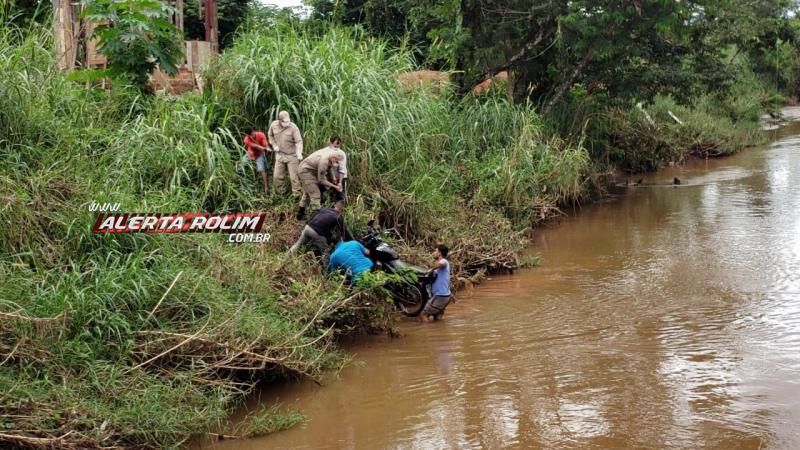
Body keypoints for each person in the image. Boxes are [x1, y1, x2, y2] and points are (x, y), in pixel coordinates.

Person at [287, 200, 353, 267]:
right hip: (317, 232)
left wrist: (307, 223)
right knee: (325, 252)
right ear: (343, 209)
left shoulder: (324, 209)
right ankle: (327, 270)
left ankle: (285, 258)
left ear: (335, 205)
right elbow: (344, 231)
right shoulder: (338, 216)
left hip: (308, 227)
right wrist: (353, 241)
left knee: (297, 244)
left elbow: (313, 215)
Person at [296, 147, 343, 220]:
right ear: (333, 158)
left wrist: (333, 177)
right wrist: (335, 187)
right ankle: (315, 218)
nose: (337, 163)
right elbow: (322, 180)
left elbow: (329, 168)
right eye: (336, 161)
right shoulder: (323, 162)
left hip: (311, 171)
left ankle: (300, 215)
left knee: (308, 192)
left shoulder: (329, 156)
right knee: (315, 194)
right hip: (305, 172)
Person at [268, 111, 303, 198]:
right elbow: (270, 135)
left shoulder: (293, 127)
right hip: (280, 154)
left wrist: (299, 152)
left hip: (292, 155)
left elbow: (299, 141)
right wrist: (274, 145)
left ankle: (297, 195)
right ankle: (282, 193)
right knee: (277, 176)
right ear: (280, 121)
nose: (287, 123)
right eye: (285, 122)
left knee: (294, 177)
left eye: (288, 121)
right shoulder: (274, 125)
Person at [420, 244, 452, 322]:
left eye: (435, 251)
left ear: (439, 253)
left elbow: (442, 263)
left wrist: (431, 269)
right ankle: (441, 331)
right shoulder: (442, 264)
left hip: (440, 295)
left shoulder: (443, 261)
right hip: (446, 296)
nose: (434, 253)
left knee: (423, 315)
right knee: (437, 317)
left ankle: (427, 333)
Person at [241, 127, 271, 192]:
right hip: (250, 154)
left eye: (252, 134)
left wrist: (267, 147)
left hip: (259, 155)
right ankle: (240, 181)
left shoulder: (261, 134)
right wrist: (265, 149)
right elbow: (256, 146)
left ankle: (266, 187)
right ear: (247, 135)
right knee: (240, 165)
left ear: (253, 131)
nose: (252, 136)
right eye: (250, 135)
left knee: (261, 169)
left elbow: (265, 142)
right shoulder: (246, 140)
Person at [325, 135, 348, 203]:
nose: (336, 149)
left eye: (338, 146)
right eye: (335, 146)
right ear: (331, 143)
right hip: (330, 177)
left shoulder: (341, 153)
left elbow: (342, 168)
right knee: (331, 195)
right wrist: (332, 177)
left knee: (340, 195)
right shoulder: (326, 151)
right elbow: (328, 167)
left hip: (341, 177)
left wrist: (340, 182)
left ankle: (340, 210)